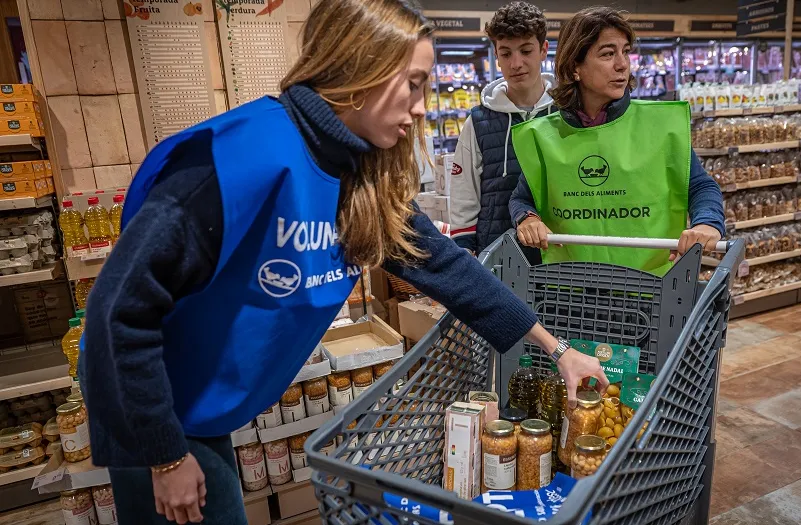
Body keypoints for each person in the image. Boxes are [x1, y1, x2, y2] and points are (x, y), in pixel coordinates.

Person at [78, 0, 609, 523]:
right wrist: (163, 453)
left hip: (208, 406)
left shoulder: (356, 174)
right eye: (414, 83)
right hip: (150, 407)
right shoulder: (234, 162)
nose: (422, 107)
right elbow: (116, 315)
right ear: (360, 69)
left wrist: (558, 351)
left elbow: (448, 269)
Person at [509, 7, 725, 275]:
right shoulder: (542, 135)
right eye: (608, 54)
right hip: (570, 292)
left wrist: (707, 224)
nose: (622, 64)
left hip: (650, 291)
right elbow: (522, 197)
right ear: (575, 66)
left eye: (625, 52)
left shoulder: (660, 126)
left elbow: (701, 186)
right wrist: (527, 218)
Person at [450, 1, 554, 261]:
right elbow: (465, 192)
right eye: (506, 53)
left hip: (559, 251)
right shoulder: (478, 121)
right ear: (496, 57)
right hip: (498, 254)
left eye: (526, 51)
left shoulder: (567, 112)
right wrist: (465, 249)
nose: (516, 63)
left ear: (543, 50)